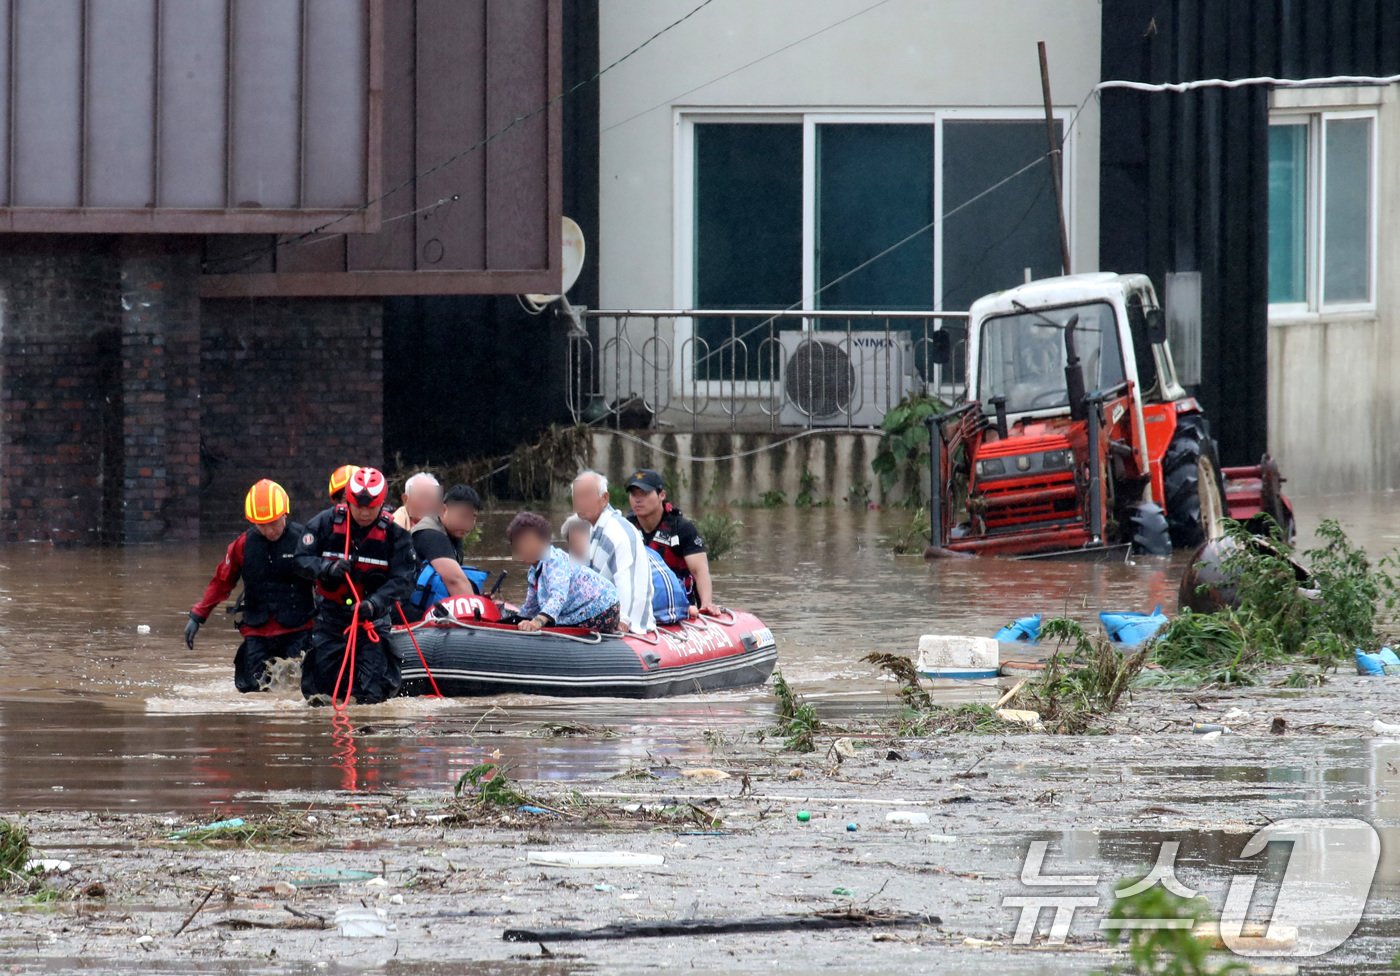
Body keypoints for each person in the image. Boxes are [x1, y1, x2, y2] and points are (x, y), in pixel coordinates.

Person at [294, 466, 415, 704]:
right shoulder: (324, 525)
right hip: (331, 620)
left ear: (381, 504)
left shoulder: (395, 536)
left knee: (373, 694)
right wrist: (327, 568)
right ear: (348, 500)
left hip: (372, 621)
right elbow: (301, 560)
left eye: (370, 507)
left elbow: (405, 580)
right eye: (358, 505)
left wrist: (375, 603)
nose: (364, 513)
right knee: (321, 695)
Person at [185, 479, 314, 693]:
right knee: (254, 690)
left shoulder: (304, 541)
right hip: (258, 631)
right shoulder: (241, 546)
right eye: (261, 525)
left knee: (298, 689)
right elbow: (221, 582)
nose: (269, 530)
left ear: (285, 513)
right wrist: (198, 615)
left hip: (298, 629)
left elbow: (325, 581)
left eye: (273, 522)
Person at [564, 513, 687, 625]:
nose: (573, 550)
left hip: (651, 613)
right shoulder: (643, 550)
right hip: (678, 607)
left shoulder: (601, 560)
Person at [571, 470, 654, 634]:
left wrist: (623, 621)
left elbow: (628, 583)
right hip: (595, 616)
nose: (580, 502)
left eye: (586, 496)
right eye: (576, 496)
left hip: (625, 626)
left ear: (605, 498)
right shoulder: (585, 529)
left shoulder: (619, 533)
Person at [624, 469, 716, 616]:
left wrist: (706, 604)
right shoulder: (625, 527)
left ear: (662, 495)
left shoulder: (682, 528)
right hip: (639, 605)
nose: (638, 499)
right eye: (634, 494)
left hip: (681, 605)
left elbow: (700, 571)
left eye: (645, 493)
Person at [507, 512, 619, 633]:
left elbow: (558, 597)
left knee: (552, 623)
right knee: (550, 620)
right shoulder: (533, 572)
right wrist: (515, 621)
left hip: (604, 608)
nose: (522, 547)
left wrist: (536, 622)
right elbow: (531, 606)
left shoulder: (554, 560)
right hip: (587, 609)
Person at [406, 483, 484, 620]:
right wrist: (476, 619)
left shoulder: (454, 534)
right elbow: (455, 581)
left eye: (472, 518)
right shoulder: (431, 535)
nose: (467, 524)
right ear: (443, 510)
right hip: (405, 610)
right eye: (462, 516)